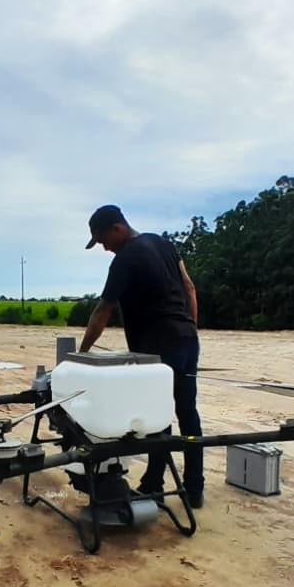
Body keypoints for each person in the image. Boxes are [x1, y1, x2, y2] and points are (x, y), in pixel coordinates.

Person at [77, 204, 204, 508]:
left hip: (159, 347)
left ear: (117, 229)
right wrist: (191, 328)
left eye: (103, 240)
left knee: (157, 417)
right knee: (188, 413)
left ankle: (154, 486)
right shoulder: (162, 243)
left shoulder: (126, 259)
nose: (105, 248)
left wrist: (81, 354)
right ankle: (194, 489)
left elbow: (102, 311)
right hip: (187, 341)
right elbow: (189, 286)